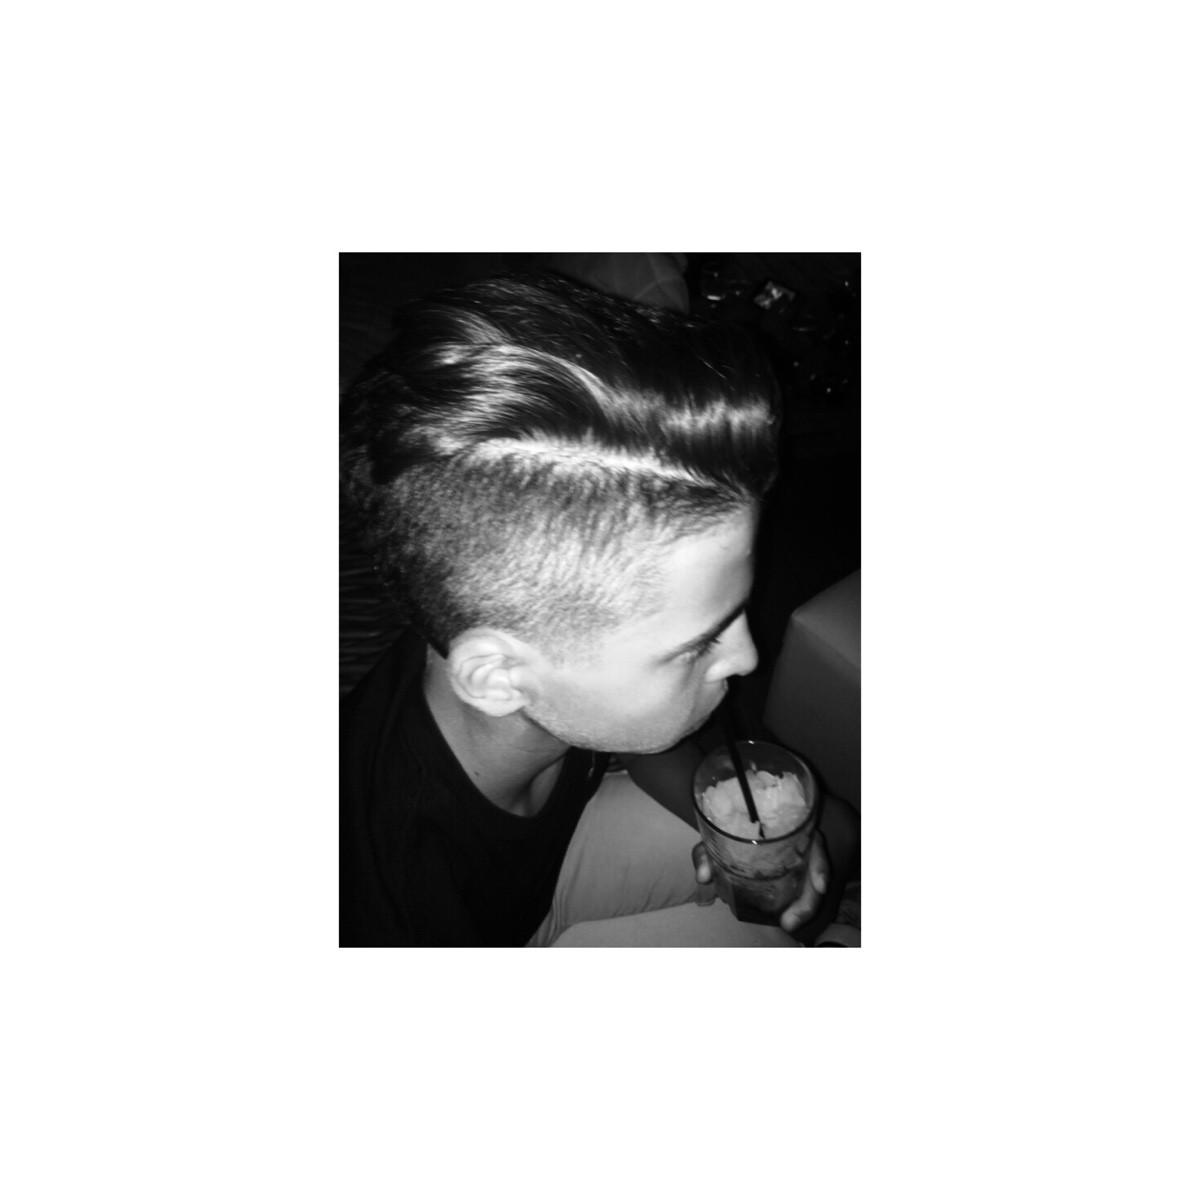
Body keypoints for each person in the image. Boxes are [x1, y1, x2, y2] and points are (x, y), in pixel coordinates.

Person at [340, 272, 857, 947]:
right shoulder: (391, 904)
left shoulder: (532, 649)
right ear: (497, 677)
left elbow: (619, 738)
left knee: (836, 832)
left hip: (551, 866)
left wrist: (729, 827)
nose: (747, 657)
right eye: (697, 644)